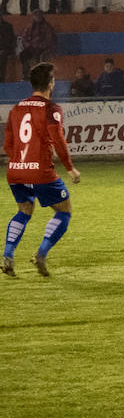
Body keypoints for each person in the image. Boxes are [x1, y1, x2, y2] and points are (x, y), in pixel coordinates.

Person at [2, 62, 80, 278]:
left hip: (16, 171)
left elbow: (8, 144)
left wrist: (21, 161)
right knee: (64, 211)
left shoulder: (17, 108)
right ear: (51, 83)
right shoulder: (51, 109)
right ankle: (41, 255)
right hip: (40, 171)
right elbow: (58, 140)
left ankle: (8, 256)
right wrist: (70, 168)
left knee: (24, 210)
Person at [19, 10, 56, 75]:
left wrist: (39, 46)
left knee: (37, 55)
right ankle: (26, 74)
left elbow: (49, 40)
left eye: (39, 15)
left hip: (43, 49)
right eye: (35, 15)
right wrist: (28, 45)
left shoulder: (47, 27)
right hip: (31, 48)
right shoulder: (29, 26)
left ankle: (38, 75)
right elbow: (24, 38)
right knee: (23, 55)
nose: (37, 17)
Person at [0, 14, 12, 83]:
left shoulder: (8, 26)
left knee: (2, 56)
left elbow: (9, 40)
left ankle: (1, 79)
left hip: (5, 48)